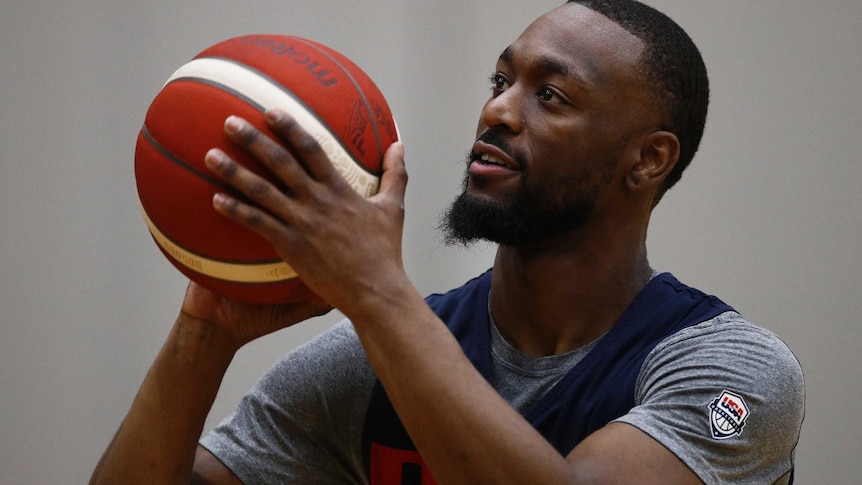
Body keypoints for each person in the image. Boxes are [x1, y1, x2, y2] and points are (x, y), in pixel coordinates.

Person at [91, 0, 804, 483]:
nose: (497, 109)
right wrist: (203, 334)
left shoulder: (730, 369)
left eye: (549, 95)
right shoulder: (369, 362)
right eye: (501, 80)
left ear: (647, 159)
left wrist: (375, 292)